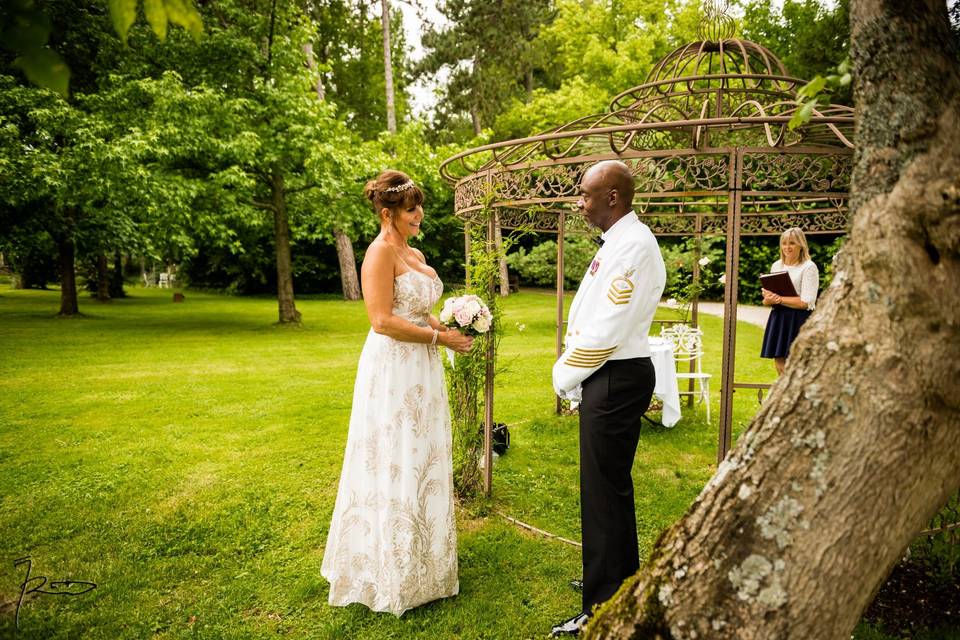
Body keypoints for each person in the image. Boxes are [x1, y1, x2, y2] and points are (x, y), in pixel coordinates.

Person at [320, 170, 473, 616]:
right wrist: (438, 340)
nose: (420, 214)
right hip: (393, 370)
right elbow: (382, 320)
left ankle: (427, 556)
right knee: (394, 455)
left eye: (420, 206)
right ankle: (389, 564)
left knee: (422, 454)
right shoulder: (378, 254)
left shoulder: (416, 252)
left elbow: (422, 311)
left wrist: (455, 327)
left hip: (423, 368)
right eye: (411, 208)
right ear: (387, 214)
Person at [550, 160, 666, 637]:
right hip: (610, 373)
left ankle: (601, 604)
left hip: (613, 373)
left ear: (612, 197)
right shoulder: (621, 242)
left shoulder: (634, 246)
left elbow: (607, 329)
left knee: (603, 491)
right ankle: (613, 575)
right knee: (606, 487)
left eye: (585, 194)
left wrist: (564, 374)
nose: (580, 202)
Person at [760, 227, 819, 375]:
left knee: (796, 367)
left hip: (799, 319)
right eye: (784, 243)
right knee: (780, 364)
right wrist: (768, 299)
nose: (787, 247)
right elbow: (768, 302)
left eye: (792, 243)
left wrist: (778, 299)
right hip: (779, 318)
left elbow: (806, 301)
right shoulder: (776, 265)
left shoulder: (809, 267)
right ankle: (784, 397)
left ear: (801, 245)